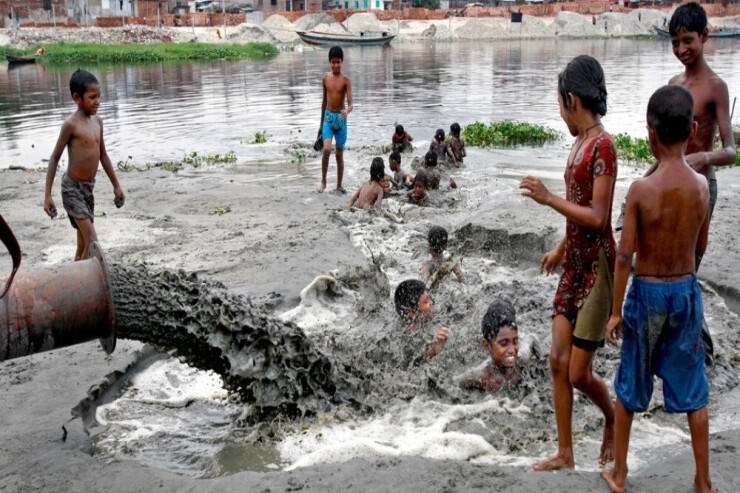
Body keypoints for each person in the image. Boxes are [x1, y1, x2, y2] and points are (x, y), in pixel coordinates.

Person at [601, 85, 712, 493]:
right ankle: (703, 480)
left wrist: (615, 312)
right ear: (694, 129)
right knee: (694, 389)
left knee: (630, 385)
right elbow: (701, 244)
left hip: (646, 294)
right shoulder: (700, 187)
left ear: (649, 133)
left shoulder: (641, 191)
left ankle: (620, 473)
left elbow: (624, 257)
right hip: (684, 290)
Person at [519, 55, 616, 471]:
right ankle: (566, 452)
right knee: (556, 360)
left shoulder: (604, 146)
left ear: (571, 99)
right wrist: (560, 249)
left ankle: (613, 419)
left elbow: (598, 217)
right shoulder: (579, 142)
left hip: (598, 270)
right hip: (573, 264)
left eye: (561, 105)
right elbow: (579, 210)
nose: (561, 114)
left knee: (578, 373)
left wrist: (547, 199)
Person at [44, 69, 125, 261]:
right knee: (92, 240)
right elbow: (55, 157)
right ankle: (89, 280)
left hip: (88, 189)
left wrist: (117, 185)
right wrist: (47, 195)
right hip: (72, 190)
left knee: (82, 244)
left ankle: (75, 280)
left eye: (99, 96)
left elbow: (103, 156)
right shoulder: (71, 125)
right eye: (92, 97)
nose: (98, 101)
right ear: (77, 98)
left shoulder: (98, 122)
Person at [458, 299, 519, 392]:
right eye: (504, 344)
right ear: (487, 345)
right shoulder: (480, 377)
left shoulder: (522, 360)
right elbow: (455, 384)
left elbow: (532, 338)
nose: (512, 350)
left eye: (515, 342)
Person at [317, 46, 353, 194]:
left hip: (341, 120)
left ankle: (339, 185)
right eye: (333, 62)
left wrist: (347, 110)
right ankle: (324, 181)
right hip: (328, 118)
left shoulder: (346, 81)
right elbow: (324, 102)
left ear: (342, 62)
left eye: (338, 62)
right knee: (326, 149)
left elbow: (351, 103)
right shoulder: (325, 79)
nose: (336, 65)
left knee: (339, 155)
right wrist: (320, 126)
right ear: (329, 62)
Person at [394, 279, 450, 360]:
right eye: (426, 301)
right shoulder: (405, 341)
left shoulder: (429, 318)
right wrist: (432, 352)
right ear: (412, 312)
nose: (432, 302)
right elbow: (409, 365)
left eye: (429, 297)